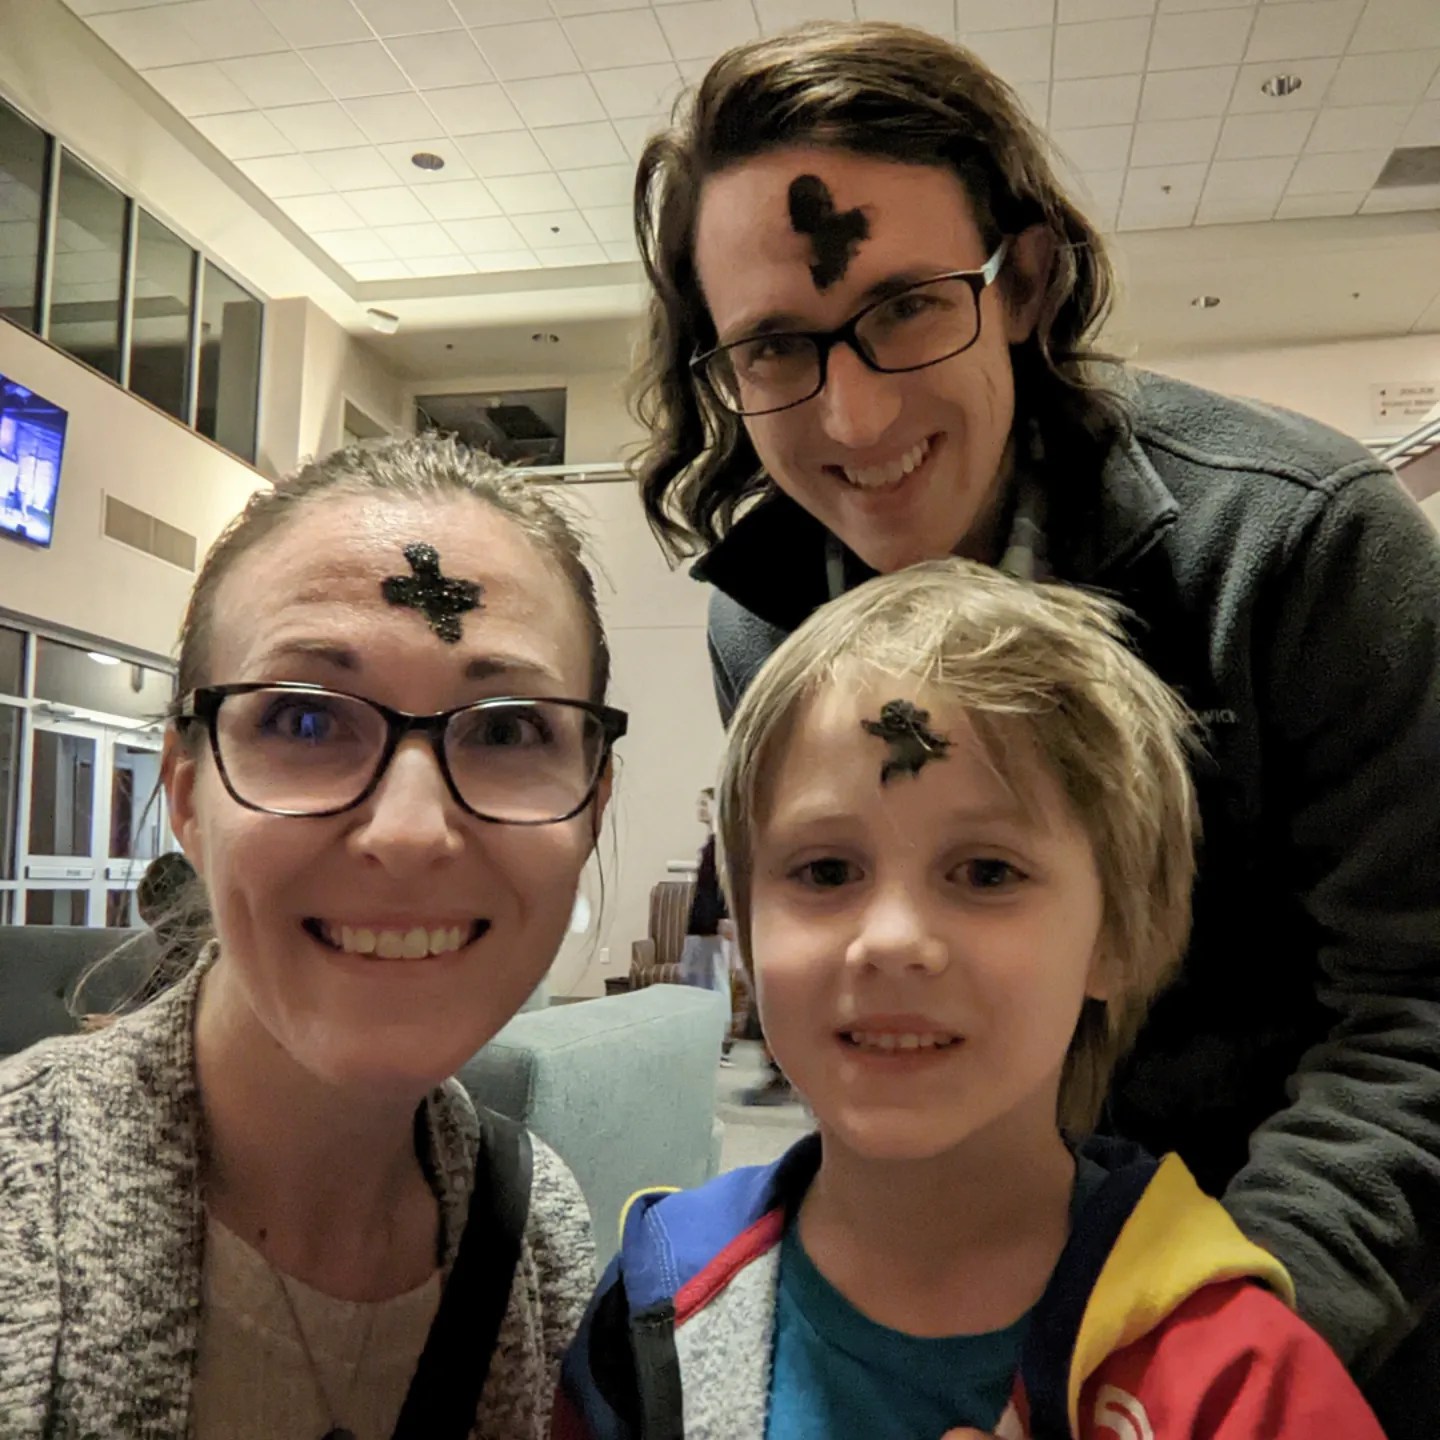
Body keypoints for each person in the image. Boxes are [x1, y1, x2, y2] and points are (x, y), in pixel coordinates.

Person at [628, 20, 1440, 1428]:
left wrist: (1193, 1354)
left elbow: (1419, 1014)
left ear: (1026, 280)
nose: (857, 412)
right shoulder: (758, 626)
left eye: (904, 309)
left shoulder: (1305, 549)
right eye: (773, 347)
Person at [556, 560, 1386, 1438]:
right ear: (749, 931)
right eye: (826, 870)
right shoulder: (653, 1303)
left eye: (987, 872)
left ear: (1117, 937)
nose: (892, 940)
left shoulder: (1241, 1379)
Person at [0, 434, 627, 1439]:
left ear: (594, 805)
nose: (412, 831)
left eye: (506, 730)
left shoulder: (539, 1238)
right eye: (302, 719)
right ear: (189, 795)